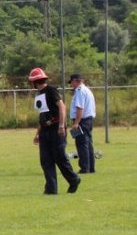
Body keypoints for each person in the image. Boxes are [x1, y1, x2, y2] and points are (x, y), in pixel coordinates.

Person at [29, 67, 81, 195]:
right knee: (46, 160)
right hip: (45, 131)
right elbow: (42, 115)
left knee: (60, 158)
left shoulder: (51, 91)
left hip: (56, 130)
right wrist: (37, 133)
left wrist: (61, 125)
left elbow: (62, 107)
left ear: (35, 82)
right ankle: (51, 189)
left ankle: (74, 179)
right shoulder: (39, 95)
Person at [69, 74, 96, 174]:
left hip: (82, 120)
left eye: (71, 82)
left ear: (76, 81)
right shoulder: (87, 90)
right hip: (88, 120)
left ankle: (85, 168)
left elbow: (80, 108)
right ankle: (90, 167)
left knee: (81, 144)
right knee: (88, 144)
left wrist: (76, 123)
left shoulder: (80, 91)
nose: (71, 85)